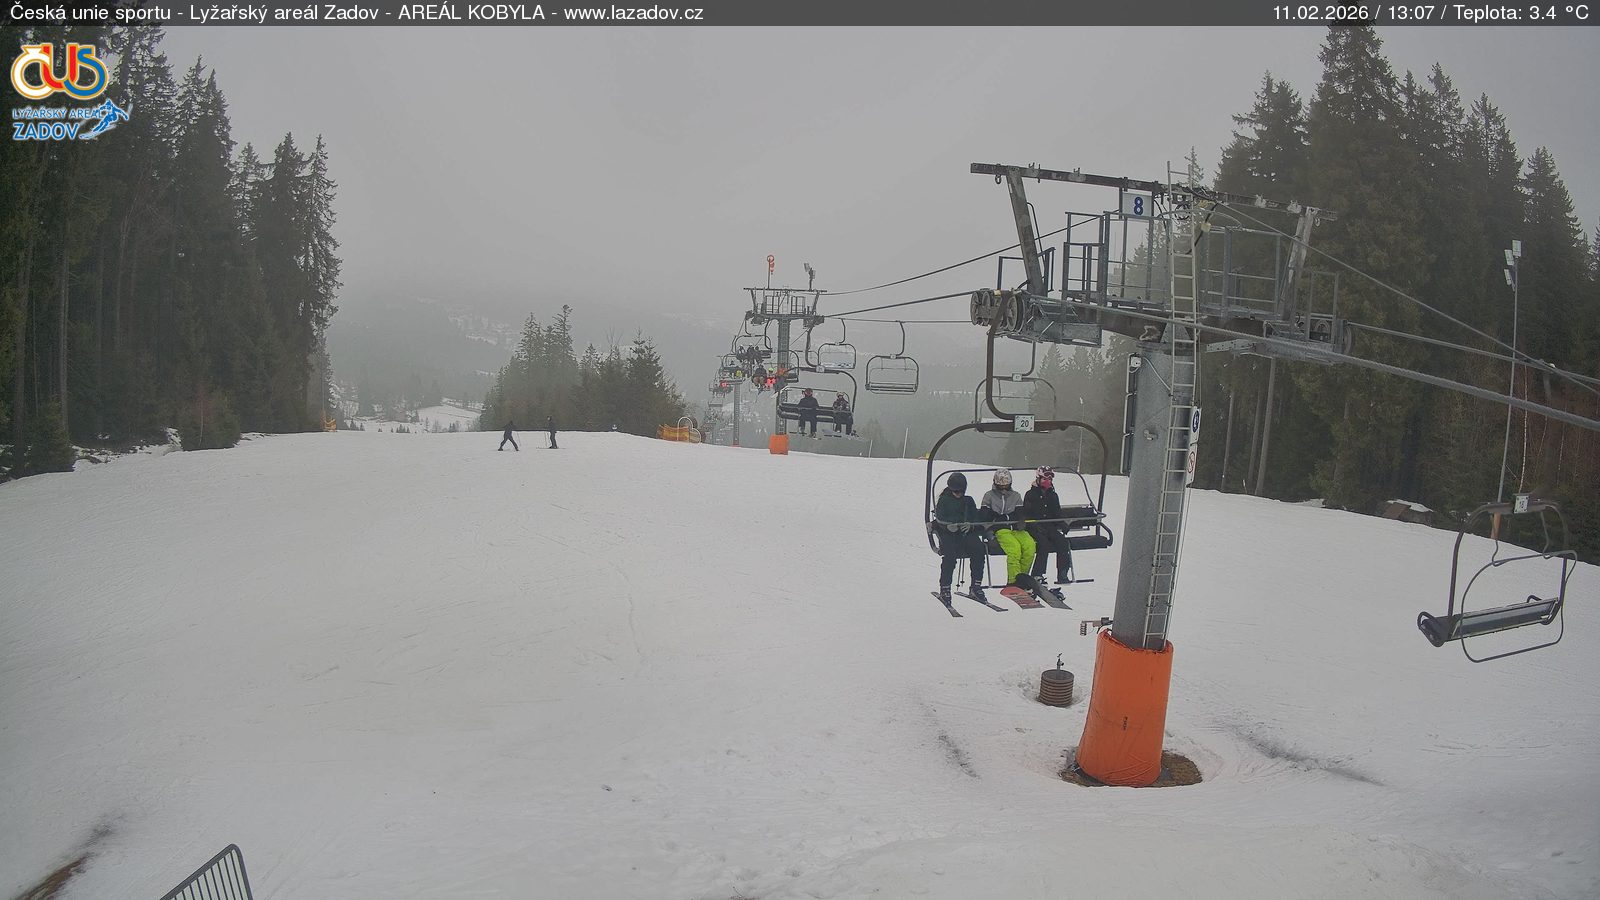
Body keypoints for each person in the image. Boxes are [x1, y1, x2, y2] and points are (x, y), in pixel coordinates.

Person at [933, 472, 988, 604]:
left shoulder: (968, 500)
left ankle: (976, 586)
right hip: (948, 533)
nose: (959, 494)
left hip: (965, 532)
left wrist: (971, 525)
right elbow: (940, 517)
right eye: (956, 491)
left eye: (961, 491)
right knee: (950, 555)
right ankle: (945, 587)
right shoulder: (944, 500)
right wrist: (948, 526)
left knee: (978, 549)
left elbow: (975, 517)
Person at [980, 469, 1036, 592]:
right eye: (1000, 484)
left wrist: (1021, 520)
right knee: (1014, 549)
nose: (1003, 487)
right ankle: (1013, 581)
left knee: (1030, 546)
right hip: (1000, 529)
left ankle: (1022, 578)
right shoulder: (989, 496)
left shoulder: (1015, 496)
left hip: (1016, 529)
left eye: (1006, 484)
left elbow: (1020, 513)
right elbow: (985, 515)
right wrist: (990, 530)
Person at [1023, 466, 1074, 589]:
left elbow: (1056, 513)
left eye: (1050, 479)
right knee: (1043, 544)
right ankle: (1037, 574)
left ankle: (1062, 573)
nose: (1048, 481)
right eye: (1045, 479)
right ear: (1038, 479)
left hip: (1049, 526)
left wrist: (1062, 524)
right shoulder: (1031, 495)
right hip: (1035, 528)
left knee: (1062, 542)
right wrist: (1033, 525)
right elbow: (1027, 514)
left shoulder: (1053, 495)